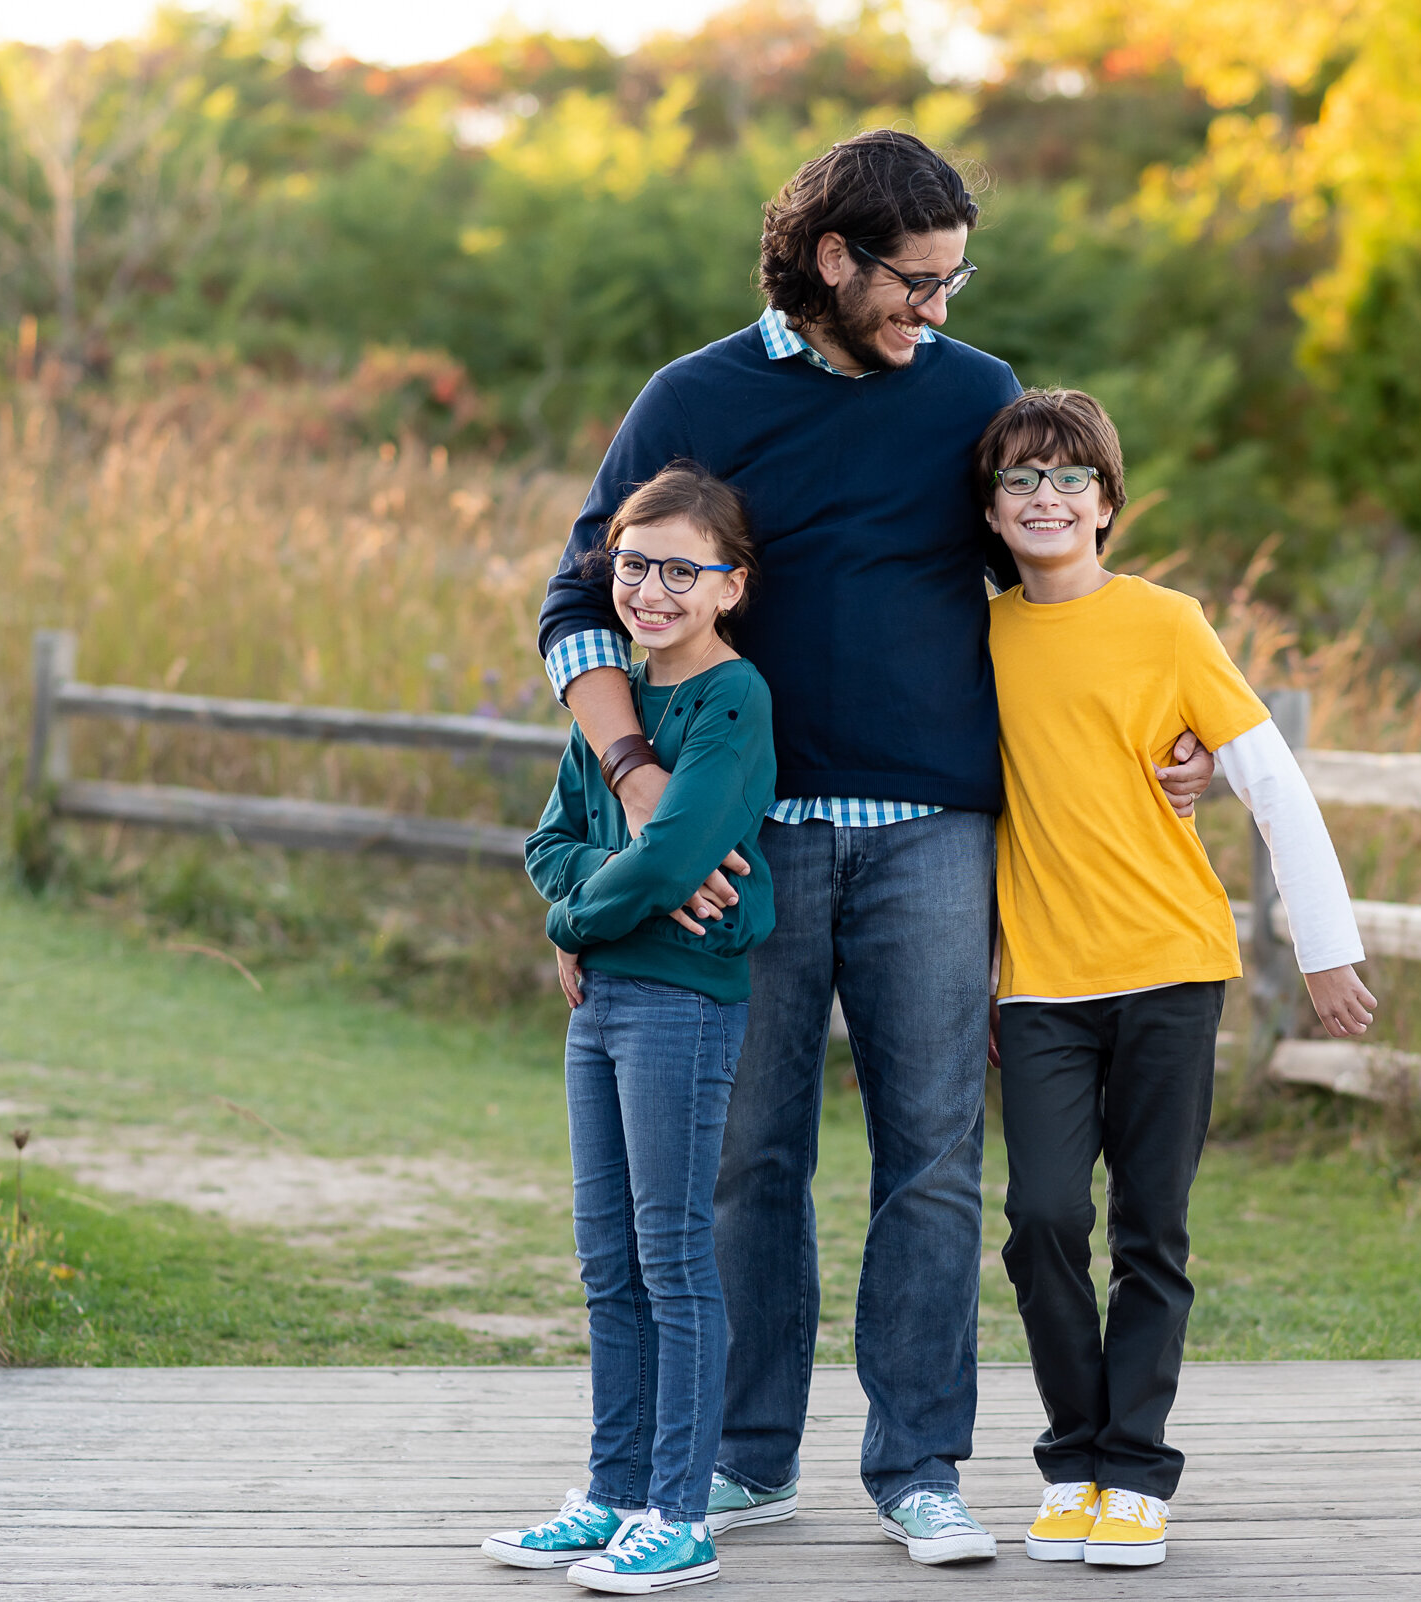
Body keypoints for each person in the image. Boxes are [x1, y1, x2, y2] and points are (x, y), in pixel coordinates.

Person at [534, 131, 1218, 1566]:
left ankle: (918, 1463)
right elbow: (583, 602)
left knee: (930, 1158)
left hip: (933, 835)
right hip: (754, 839)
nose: (941, 313)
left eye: (957, 283)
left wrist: (1170, 730)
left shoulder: (970, 398)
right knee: (745, 1154)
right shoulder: (695, 398)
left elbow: (1054, 582)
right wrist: (644, 780)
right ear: (834, 260)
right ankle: (741, 1458)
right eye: (919, 282)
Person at [975, 389, 1377, 1568]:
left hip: (1168, 968)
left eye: (1068, 480)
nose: (1045, 498)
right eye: (1020, 481)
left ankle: (1135, 1473)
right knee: (1043, 1220)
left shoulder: (1168, 622)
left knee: (1152, 1229)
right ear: (991, 512)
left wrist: (1326, 950)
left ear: (1107, 503)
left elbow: (1272, 782)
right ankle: (1073, 1456)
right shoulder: (977, 634)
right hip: (1038, 983)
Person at [484, 463, 775, 1593]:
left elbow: (675, 854)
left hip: (678, 1005)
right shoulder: (612, 696)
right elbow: (550, 840)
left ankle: (679, 1511)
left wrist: (577, 914)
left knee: (670, 1258)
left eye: (679, 571)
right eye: (632, 566)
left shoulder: (731, 702)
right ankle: (611, 1494)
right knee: (607, 1259)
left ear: (729, 587)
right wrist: (595, 897)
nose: (650, 590)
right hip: (600, 1003)